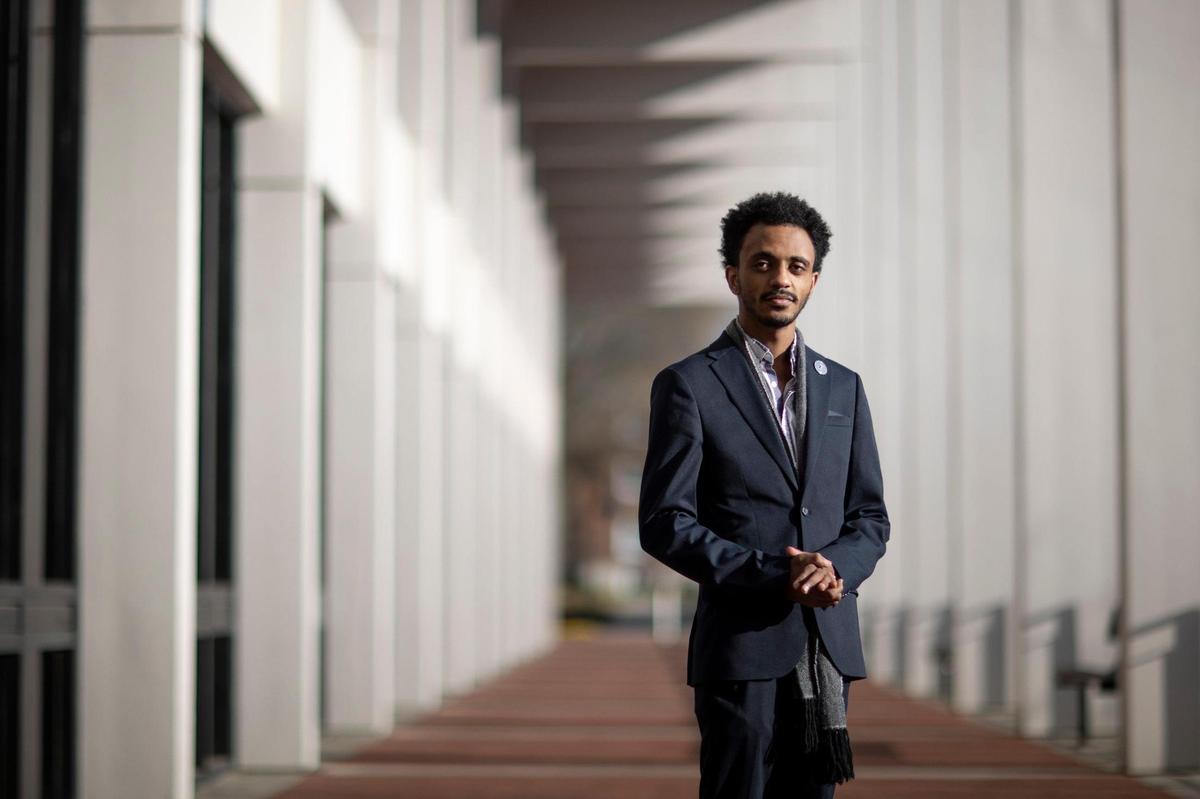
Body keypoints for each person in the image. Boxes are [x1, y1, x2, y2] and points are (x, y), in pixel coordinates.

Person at [639, 191, 890, 799]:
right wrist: (775, 572)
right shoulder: (689, 384)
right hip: (742, 649)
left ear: (814, 281)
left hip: (827, 646)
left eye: (796, 267)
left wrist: (833, 568)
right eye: (763, 263)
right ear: (733, 275)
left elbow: (869, 517)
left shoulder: (845, 389)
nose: (781, 278)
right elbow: (665, 521)